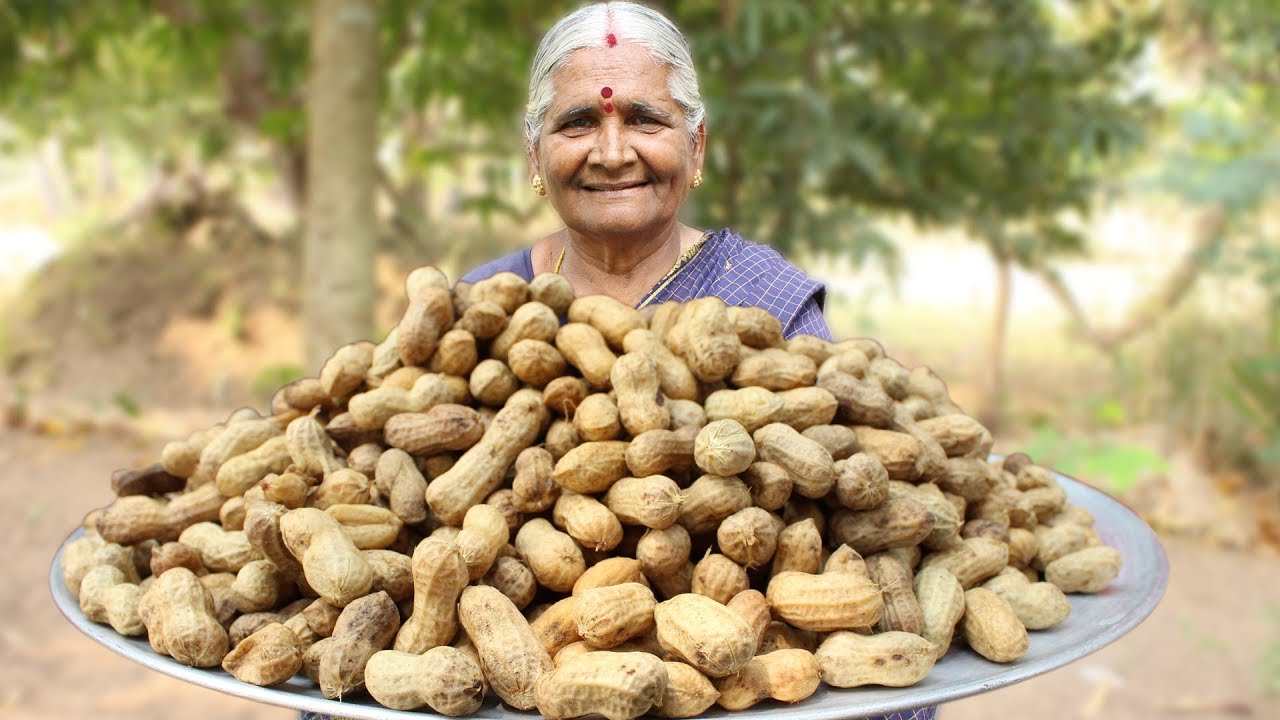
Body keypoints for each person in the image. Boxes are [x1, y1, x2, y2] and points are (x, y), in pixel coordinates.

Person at [306, 3, 936, 720]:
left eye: (645, 119)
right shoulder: (478, 304)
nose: (612, 151)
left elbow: (848, 536)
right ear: (534, 155)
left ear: (696, 149)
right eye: (578, 123)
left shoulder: (773, 307)